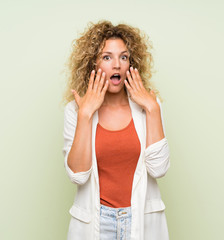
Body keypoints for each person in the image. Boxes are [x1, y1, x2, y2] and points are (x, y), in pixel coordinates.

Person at [62, 20, 170, 240]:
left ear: (131, 63)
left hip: (141, 220)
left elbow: (159, 169)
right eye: (107, 57)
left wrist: (152, 107)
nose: (117, 65)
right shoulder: (75, 110)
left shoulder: (148, 106)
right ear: (93, 64)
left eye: (123, 56)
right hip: (96, 222)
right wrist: (85, 115)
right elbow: (78, 175)